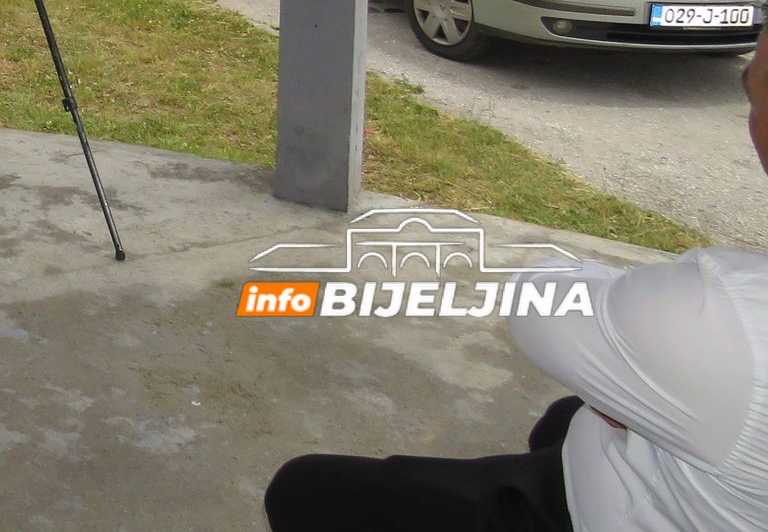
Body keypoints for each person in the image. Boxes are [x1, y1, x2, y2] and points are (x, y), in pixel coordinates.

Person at [264, 46, 768, 531]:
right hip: (661, 483)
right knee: (563, 416)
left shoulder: (727, 318)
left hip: (586, 513)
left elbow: (542, 299)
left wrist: (625, 340)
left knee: (302, 489)